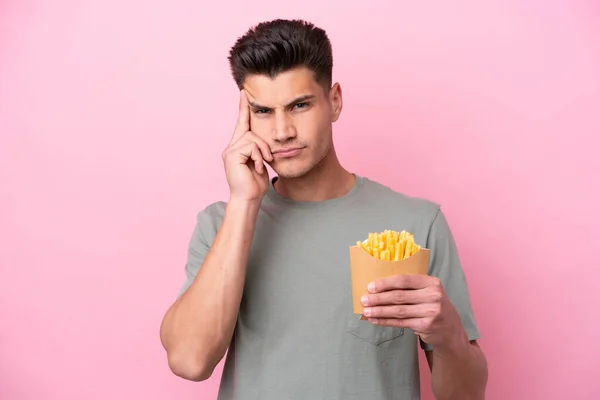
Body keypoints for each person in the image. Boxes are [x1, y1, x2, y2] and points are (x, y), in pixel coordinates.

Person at [159, 18, 488, 400]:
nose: (282, 131)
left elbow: (466, 396)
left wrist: (448, 334)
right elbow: (189, 361)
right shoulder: (220, 223)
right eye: (263, 111)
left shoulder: (416, 223)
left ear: (334, 101)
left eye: (299, 105)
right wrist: (245, 203)